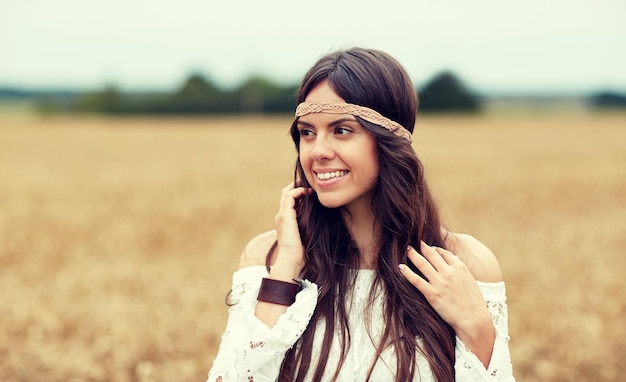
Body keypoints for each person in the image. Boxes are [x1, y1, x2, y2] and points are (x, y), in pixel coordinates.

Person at [207, 47, 515, 382]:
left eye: (341, 130)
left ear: (390, 140)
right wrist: (285, 272)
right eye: (307, 132)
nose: (318, 152)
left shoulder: (463, 263)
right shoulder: (267, 257)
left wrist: (478, 329)